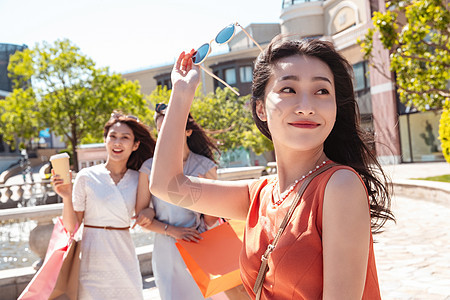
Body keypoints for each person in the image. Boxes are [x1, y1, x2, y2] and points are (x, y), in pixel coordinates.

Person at [149, 37, 395, 299]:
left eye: (322, 91)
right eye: (288, 89)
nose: (306, 107)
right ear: (260, 108)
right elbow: (167, 185)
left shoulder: (339, 186)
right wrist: (182, 92)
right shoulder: (261, 195)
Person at [52, 112, 156, 300]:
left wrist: (149, 210)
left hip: (124, 258)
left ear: (135, 145)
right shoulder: (86, 176)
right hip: (92, 261)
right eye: (113, 136)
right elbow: (71, 227)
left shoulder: (138, 178)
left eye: (125, 138)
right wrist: (66, 197)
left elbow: (143, 216)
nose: (117, 142)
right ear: (105, 140)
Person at [133, 103, 222, 300]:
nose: (167, 135)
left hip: (199, 244)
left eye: (173, 127)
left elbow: (211, 220)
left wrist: (205, 193)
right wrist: (172, 231)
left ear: (188, 131)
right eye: (161, 130)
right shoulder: (149, 168)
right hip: (166, 251)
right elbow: (141, 219)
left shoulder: (206, 166)